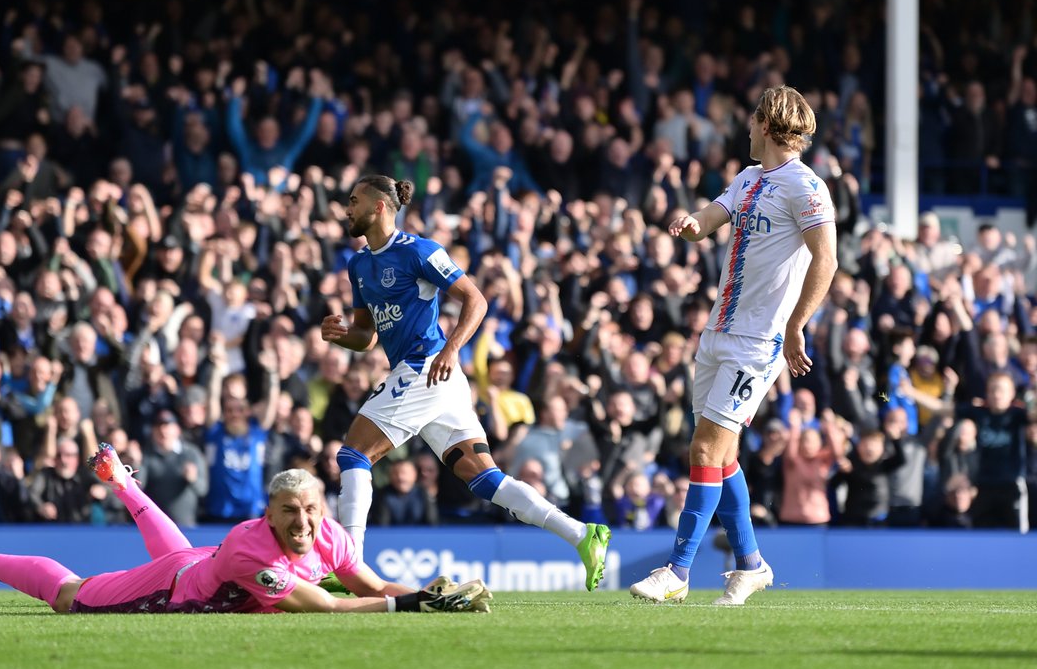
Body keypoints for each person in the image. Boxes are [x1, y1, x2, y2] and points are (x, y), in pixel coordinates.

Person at [320, 174, 610, 590]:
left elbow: (476, 299)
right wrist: (341, 333)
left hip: (427, 367)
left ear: (379, 207)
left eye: (352, 200)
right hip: (431, 377)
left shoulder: (419, 251)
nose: (346, 208)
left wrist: (452, 348)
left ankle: (352, 568)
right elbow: (366, 337)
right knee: (485, 478)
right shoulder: (359, 264)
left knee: (353, 455)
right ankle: (582, 535)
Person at [629, 85, 838, 606]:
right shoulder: (747, 178)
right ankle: (751, 565)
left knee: (704, 447)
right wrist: (691, 224)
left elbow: (827, 260)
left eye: (751, 119)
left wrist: (795, 327)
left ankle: (677, 572)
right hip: (718, 332)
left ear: (767, 125)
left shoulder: (806, 187)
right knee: (720, 458)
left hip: (757, 341)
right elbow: (709, 220)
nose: (745, 127)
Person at [0, 445, 491, 615]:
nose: (303, 521)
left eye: (311, 510)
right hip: (179, 590)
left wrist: (426, 590)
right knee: (71, 598)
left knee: (183, 550)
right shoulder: (252, 549)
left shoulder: (329, 534)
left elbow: (368, 587)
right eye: (290, 511)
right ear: (269, 513)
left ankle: (123, 483)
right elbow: (326, 608)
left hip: (200, 561)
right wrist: (415, 608)